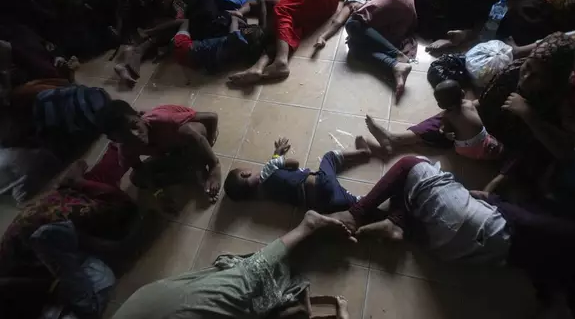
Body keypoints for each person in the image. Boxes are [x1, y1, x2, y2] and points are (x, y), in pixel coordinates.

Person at [366, 32, 575, 194]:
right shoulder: (514, 71)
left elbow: (566, 152)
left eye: (537, 76)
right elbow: (483, 103)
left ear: (554, 79)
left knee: (536, 160)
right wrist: (455, 121)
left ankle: (496, 184)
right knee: (458, 109)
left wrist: (530, 115)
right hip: (496, 126)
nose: (526, 78)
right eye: (528, 67)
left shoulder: (571, 99)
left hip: (524, 143)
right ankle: (395, 139)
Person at [331, 156, 575, 281]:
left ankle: (355, 215)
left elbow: (531, 222)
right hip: (454, 251)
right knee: (414, 193)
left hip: (475, 225)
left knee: (413, 165)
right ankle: (396, 224)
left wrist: (492, 199)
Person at [111, 210, 353, 319]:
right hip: (159, 298)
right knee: (236, 282)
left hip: (178, 304)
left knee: (242, 282)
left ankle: (306, 226)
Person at [0, 151, 140, 319]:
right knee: (96, 204)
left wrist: (56, 289)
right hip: (32, 237)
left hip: (32, 242)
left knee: (121, 209)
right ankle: (76, 183)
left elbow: (13, 284)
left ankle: (78, 182)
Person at [97, 100, 223, 208]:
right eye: (125, 136)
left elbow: (212, 117)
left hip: (187, 132)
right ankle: (190, 173)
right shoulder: (125, 149)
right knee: (137, 178)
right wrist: (159, 195)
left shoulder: (163, 120)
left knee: (188, 132)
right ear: (116, 140)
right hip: (169, 148)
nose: (135, 135)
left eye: (134, 125)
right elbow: (141, 170)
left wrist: (209, 148)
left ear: (139, 115)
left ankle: (213, 165)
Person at [344, 0, 417, 100]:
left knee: (352, 24)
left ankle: (396, 55)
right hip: (396, 14)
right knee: (354, 47)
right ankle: (396, 66)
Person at [224, 136, 371, 213]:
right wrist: (277, 157)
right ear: (245, 173)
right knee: (329, 156)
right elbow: (294, 164)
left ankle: (378, 210)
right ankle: (363, 153)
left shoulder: (263, 197)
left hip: (322, 204)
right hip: (322, 182)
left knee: (359, 203)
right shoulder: (267, 170)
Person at [434, 79, 503, 160]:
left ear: (440, 105)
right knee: (501, 149)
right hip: (483, 142)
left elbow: (446, 130)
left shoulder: (446, 116)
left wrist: (445, 132)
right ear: (463, 93)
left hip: (463, 149)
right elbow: (479, 104)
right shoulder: (469, 104)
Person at [171, 17, 265, 75]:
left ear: (247, 31)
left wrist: (239, 20)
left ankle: (156, 30)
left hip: (184, 48)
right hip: (195, 64)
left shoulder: (236, 37)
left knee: (186, 22)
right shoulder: (245, 49)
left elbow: (234, 20)